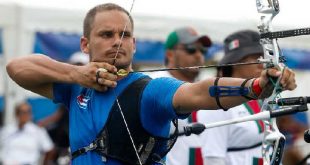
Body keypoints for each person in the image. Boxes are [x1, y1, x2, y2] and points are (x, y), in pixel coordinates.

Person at [6, 3, 297, 165]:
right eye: (106, 34)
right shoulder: (74, 88)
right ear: (85, 43)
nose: (116, 42)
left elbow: (197, 92)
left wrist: (256, 86)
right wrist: (76, 74)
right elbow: (17, 67)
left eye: (124, 34)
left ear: (134, 44)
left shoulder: (149, 89)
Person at [197, 30, 290, 165]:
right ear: (234, 61)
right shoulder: (217, 104)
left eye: (263, 56)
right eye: (254, 57)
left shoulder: (261, 97)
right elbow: (213, 159)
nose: (262, 63)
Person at [149, 26, 211, 165]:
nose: (198, 55)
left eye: (203, 51)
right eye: (191, 49)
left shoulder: (203, 88)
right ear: (170, 54)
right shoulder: (153, 83)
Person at [38, 51, 89, 164]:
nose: (78, 69)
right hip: (67, 133)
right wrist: (43, 122)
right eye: (76, 65)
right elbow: (59, 113)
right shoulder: (68, 88)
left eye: (81, 65)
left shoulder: (91, 90)